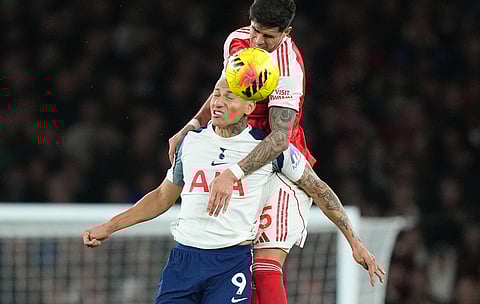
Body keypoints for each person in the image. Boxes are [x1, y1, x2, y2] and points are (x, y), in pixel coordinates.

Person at [83, 81, 384, 304]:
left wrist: (354, 242)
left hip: (230, 264)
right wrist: (110, 226)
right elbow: (162, 197)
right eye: (216, 94)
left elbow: (319, 190)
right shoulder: (192, 143)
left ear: (250, 107)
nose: (218, 102)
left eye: (230, 97)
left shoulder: (270, 150)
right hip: (184, 260)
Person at [168, 0, 317, 303]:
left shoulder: (288, 69)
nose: (259, 42)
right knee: (236, 264)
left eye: (269, 36)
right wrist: (191, 125)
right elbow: (223, 93)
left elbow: (278, 138)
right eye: (255, 31)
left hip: (281, 163)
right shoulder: (236, 41)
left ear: (286, 33)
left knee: (264, 264)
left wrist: (234, 173)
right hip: (239, 150)